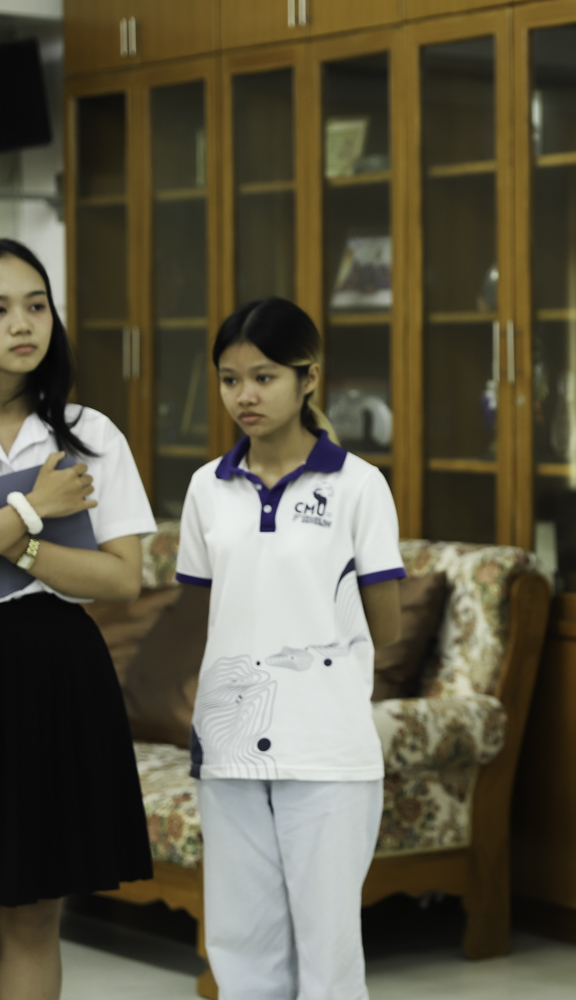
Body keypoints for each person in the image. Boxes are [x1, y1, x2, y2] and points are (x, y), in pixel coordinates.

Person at [175, 297, 403, 999]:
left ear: (309, 378)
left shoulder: (359, 486)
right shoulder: (206, 489)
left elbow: (388, 628)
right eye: (230, 379)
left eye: (264, 377)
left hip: (328, 746)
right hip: (229, 745)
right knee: (240, 946)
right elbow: (196, 618)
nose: (244, 395)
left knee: (328, 954)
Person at [0, 239, 156, 1000]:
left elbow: (122, 579)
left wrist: (20, 545)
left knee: (32, 912)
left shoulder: (88, 434)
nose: (21, 324)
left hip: (49, 669)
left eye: (36, 305)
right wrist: (34, 508)